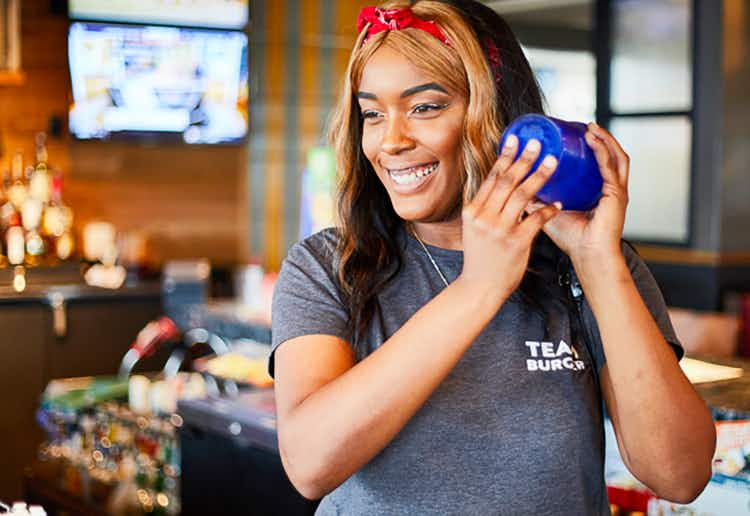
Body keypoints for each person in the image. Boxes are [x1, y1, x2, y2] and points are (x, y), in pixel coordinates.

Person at [268, 1, 716, 514]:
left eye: (425, 107)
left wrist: (600, 264)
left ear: (500, 115)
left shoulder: (585, 265)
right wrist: (478, 288)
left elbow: (679, 475)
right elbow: (309, 463)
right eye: (372, 113)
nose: (390, 141)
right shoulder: (327, 266)